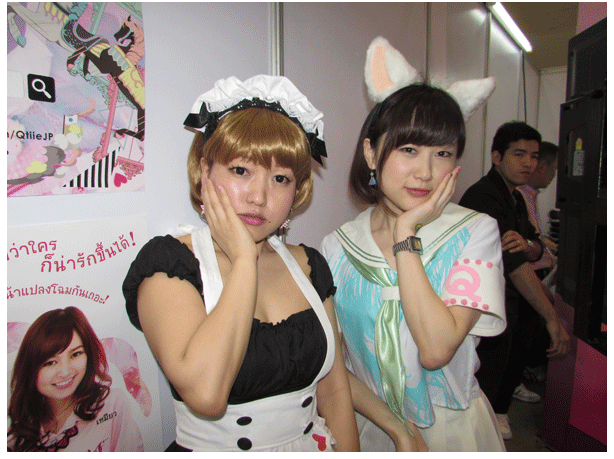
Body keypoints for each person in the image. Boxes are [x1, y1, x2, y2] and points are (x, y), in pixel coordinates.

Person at [122, 75, 359, 452]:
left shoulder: (309, 264)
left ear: (297, 190)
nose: (259, 196)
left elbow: (333, 392)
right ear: (205, 172)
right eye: (240, 171)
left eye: (280, 178)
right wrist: (245, 261)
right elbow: (207, 396)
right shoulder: (170, 265)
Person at [321, 37, 506, 452]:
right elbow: (333, 364)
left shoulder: (474, 232)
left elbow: (436, 349)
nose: (425, 172)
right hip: (371, 426)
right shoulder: (337, 248)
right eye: (409, 149)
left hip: (452, 432)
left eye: (442, 153)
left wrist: (406, 235)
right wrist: (394, 428)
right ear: (371, 153)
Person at [459, 122, 570, 440]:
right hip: (485, 306)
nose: (528, 163)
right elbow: (516, 264)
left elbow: (535, 246)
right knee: (487, 377)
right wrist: (552, 318)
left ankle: (497, 415)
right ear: (496, 157)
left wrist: (531, 245)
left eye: (533, 156)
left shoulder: (516, 199)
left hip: (511, 301)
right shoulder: (484, 197)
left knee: (511, 360)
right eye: (519, 154)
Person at [7, 307, 144, 452]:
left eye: (76, 354)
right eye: (50, 362)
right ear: (29, 368)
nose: (65, 372)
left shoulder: (112, 405)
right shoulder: (17, 434)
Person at [517, 140, 559, 384]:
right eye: (554, 169)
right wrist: (538, 246)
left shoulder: (530, 196)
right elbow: (525, 244)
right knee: (525, 335)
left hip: (536, 272)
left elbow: (532, 236)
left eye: (533, 157)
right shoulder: (521, 196)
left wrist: (543, 244)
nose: (553, 176)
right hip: (528, 275)